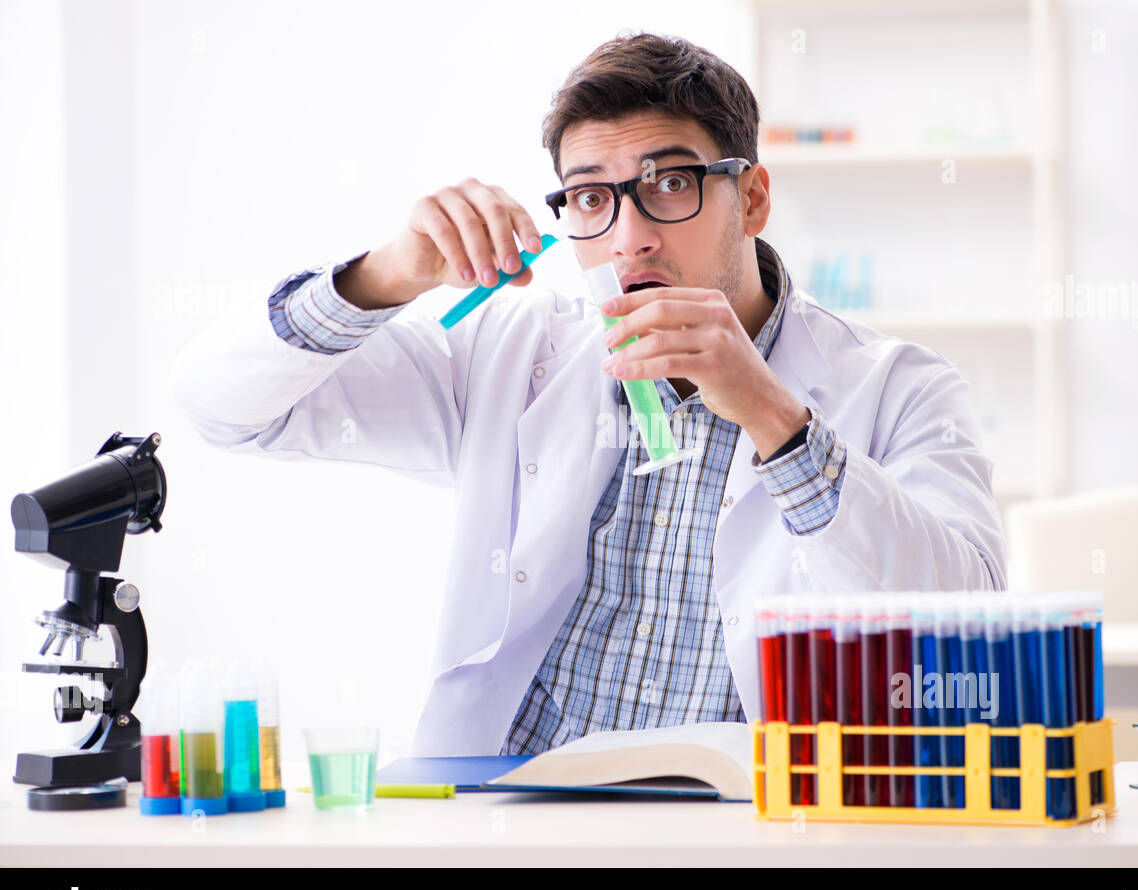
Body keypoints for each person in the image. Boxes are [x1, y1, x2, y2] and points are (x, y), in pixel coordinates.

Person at [170, 32, 1006, 757]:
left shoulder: (898, 387)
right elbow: (224, 405)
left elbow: (964, 634)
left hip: (753, 826)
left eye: (671, 182)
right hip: (517, 809)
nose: (630, 232)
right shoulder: (512, 352)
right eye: (593, 198)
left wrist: (773, 417)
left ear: (751, 198)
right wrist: (386, 274)